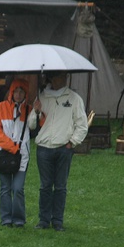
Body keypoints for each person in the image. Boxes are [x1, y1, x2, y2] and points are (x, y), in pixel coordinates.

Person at [28, 71, 88, 231]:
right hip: (44, 148)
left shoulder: (74, 98)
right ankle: (43, 221)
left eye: (63, 77)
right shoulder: (42, 97)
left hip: (63, 148)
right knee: (45, 186)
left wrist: (72, 142)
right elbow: (31, 125)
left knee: (60, 187)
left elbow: (82, 124)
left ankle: (57, 222)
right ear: (52, 79)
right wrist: (35, 111)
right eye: (58, 77)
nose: (61, 80)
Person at [0, 78, 31, 227]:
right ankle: (6, 219)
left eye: (21, 91)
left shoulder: (29, 110)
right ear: (11, 92)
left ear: (26, 94)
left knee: (18, 188)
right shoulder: (0, 108)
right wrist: (11, 146)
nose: (18, 95)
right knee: (5, 188)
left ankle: (19, 220)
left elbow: (38, 125)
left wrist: (38, 112)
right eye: (16, 91)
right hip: (5, 155)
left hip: (22, 156)